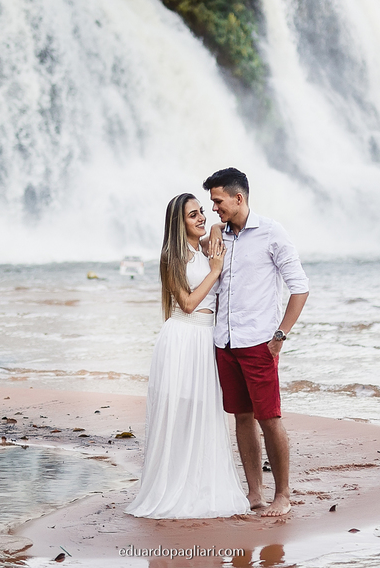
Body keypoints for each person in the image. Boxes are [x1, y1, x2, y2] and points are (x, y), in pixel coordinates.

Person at [126, 193, 251, 519]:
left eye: (200, 212)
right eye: (191, 215)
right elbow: (187, 303)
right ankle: (174, 487)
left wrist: (210, 235)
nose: (200, 217)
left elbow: (216, 226)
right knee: (180, 414)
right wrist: (215, 269)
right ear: (177, 224)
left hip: (206, 338)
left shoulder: (205, 247)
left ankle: (201, 484)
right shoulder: (173, 256)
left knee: (206, 413)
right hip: (182, 338)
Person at [204, 167, 309, 517]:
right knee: (242, 417)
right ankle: (254, 493)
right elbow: (199, 248)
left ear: (239, 197)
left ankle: (282, 495)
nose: (214, 208)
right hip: (225, 343)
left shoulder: (271, 233)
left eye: (218, 202)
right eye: (211, 203)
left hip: (259, 343)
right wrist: (217, 227)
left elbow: (300, 286)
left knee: (270, 418)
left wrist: (280, 335)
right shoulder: (220, 236)